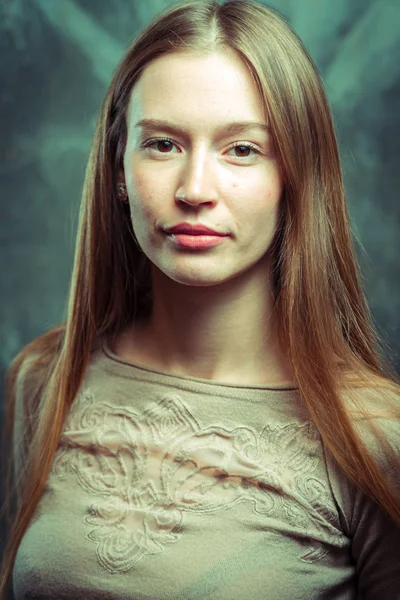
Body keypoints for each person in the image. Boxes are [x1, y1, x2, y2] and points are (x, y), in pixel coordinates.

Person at [1, 0, 400, 598]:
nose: (194, 190)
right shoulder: (41, 382)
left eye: (242, 149)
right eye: (163, 145)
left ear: (295, 176)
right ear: (117, 166)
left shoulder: (373, 436)